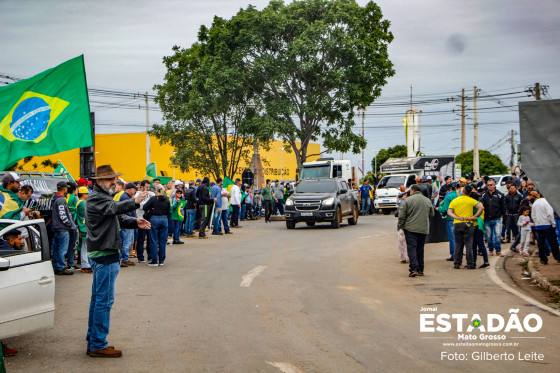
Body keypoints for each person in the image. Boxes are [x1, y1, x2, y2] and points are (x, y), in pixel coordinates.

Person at [85, 164, 150, 358]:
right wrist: (135, 202)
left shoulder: (102, 197)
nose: (114, 182)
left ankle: (95, 340)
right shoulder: (98, 198)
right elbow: (114, 209)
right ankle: (97, 343)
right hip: (104, 253)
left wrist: (134, 221)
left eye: (114, 179)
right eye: (109, 180)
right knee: (103, 301)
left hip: (105, 252)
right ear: (99, 182)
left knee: (99, 299)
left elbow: (116, 218)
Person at [397, 184, 434, 277]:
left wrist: (401, 226)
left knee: (412, 248)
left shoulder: (407, 200)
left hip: (410, 228)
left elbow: (402, 215)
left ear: (412, 191)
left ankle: (413, 269)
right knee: (420, 248)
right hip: (423, 228)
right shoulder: (427, 200)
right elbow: (431, 214)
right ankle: (421, 269)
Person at [447, 185, 484, 268]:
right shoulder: (471, 200)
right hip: (468, 223)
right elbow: (481, 207)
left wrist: (456, 217)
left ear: (462, 191)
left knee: (458, 244)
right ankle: (470, 263)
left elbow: (449, 212)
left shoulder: (455, 201)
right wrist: (474, 216)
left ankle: (457, 263)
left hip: (457, 223)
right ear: (470, 193)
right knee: (468, 245)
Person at [51, 181, 77, 275]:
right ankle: (61, 267)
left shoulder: (55, 199)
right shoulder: (61, 200)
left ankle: (56, 266)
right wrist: (69, 224)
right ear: (65, 188)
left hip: (58, 228)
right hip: (63, 228)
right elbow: (63, 215)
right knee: (62, 249)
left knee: (57, 249)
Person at [143, 184, 170, 265]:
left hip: (154, 218)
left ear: (156, 190)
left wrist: (151, 210)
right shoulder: (167, 199)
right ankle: (161, 259)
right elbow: (168, 211)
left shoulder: (153, 199)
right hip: (164, 218)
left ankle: (154, 259)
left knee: (153, 239)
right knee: (162, 240)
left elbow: (145, 207)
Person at [531, 194, 560, 265]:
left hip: (538, 225)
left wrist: (536, 222)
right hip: (547, 225)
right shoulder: (547, 202)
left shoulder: (535, 203)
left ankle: (543, 259)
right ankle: (557, 257)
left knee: (541, 243)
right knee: (553, 242)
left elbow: (533, 215)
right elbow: (550, 214)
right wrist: (553, 224)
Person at [481, 179, 506, 256]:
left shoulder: (500, 195)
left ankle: (498, 250)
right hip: (487, 218)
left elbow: (503, 207)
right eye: (488, 185)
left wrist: (504, 218)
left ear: (494, 185)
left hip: (497, 218)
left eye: (491, 185)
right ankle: (491, 249)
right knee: (489, 236)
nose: (489, 186)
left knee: (498, 235)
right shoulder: (484, 195)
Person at [119, 183, 138, 267]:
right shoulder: (125, 197)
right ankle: (124, 259)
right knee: (127, 241)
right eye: (134, 189)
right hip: (127, 222)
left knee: (129, 241)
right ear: (130, 189)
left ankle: (124, 258)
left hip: (129, 221)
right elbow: (126, 210)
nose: (135, 191)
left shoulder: (127, 197)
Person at [135, 180, 155, 263]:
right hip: (140, 218)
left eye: (148, 187)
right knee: (141, 239)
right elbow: (139, 205)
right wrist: (148, 204)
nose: (147, 189)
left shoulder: (152, 194)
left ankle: (150, 255)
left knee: (150, 238)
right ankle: (140, 256)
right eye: (146, 187)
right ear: (141, 187)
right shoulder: (137, 194)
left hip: (150, 218)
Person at [438, 182, 459, 261]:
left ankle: (454, 255)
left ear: (450, 188)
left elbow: (445, 209)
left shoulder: (449, 196)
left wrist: (439, 208)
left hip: (451, 219)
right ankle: (459, 254)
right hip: (462, 219)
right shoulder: (461, 195)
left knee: (452, 238)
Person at [75, 187, 92, 273]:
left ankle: (85, 264)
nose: (88, 195)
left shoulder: (79, 202)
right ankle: (86, 265)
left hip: (82, 226)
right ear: (84, 194)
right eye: (87, 194)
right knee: (86, 247)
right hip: (84, 227)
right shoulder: (83, 203)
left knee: (84, 247)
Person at [65, 183, 80, 270]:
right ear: (74, 189)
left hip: (65, 222)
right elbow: (76, 208)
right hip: (73, 221)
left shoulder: (64, 197)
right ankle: (70, 262)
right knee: (72, 244)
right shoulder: (73, 197)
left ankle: (65, 262)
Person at [505, 184, 523, 252]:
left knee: (516, 226)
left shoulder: (519, 196)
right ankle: (508, 238)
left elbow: (521, 204)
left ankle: (516, 238)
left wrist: (519, 210)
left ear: (516, 188)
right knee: (508, 226)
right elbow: (505, 204)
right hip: (509, 213)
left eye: (513, 188)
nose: (512, 189)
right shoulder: (507, 196)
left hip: (516, 213)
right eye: (511, 188)